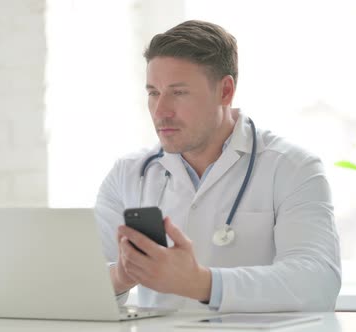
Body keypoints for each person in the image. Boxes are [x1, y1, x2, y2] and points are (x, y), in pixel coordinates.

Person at [94, 20, 341, 312]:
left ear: (225, 91)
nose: (161, 111)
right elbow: (77, 284)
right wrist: (121, 276)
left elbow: (317, 282)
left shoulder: (292, 168)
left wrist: (202, 283)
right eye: (153, 93)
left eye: (179, 92)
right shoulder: (128, 174)